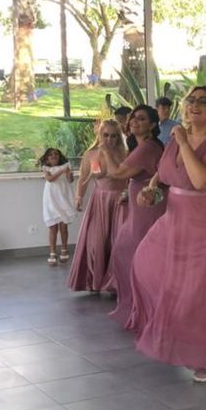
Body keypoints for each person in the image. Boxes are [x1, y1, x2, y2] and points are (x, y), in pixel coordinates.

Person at [129, 86, 206, 383]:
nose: (194, 105)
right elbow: (166, 174)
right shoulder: (175, 138)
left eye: (202, 101)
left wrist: (183, 142)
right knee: (145, 263)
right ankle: (180, 334)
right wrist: (151, 191)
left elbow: (203, 180)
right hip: (178, 218)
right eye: (190, 101)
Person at [106, 105, 166, 324]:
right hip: (140, 209)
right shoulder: (141, 146)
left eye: (141, 119)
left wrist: (105, 150)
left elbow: (118, 172)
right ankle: (140, 306)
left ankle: (147, 308)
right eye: (133, 118)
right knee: (127, 252)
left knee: (138, 256)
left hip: (149, 209)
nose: (134, 121)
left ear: (152, 125)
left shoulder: (148, 147)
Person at [67, 120, 129, 293]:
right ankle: (94, 280)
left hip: (121, 200)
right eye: (106, 135)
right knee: (96, 242)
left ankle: (115, 283)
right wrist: (78, 196)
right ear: (100, 135)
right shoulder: (91, 154)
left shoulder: (125, 153)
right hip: (100, 201)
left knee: (118, 242)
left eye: (115, 135)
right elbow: (84, 178)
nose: (110, 139)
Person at [38, 147, 76, 266]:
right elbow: (50, 179)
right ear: (47, 159)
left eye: (56, 154)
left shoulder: (66, 166)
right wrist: (61, 171)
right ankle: (52, 252)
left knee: (64, 227)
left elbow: (70, 180)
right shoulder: (46, 169)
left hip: (63, 198)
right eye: (51, 155)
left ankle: (64, 250)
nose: (54, 156)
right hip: (51, 200)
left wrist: (69, 173)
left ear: (59, 157)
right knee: (53, 228)